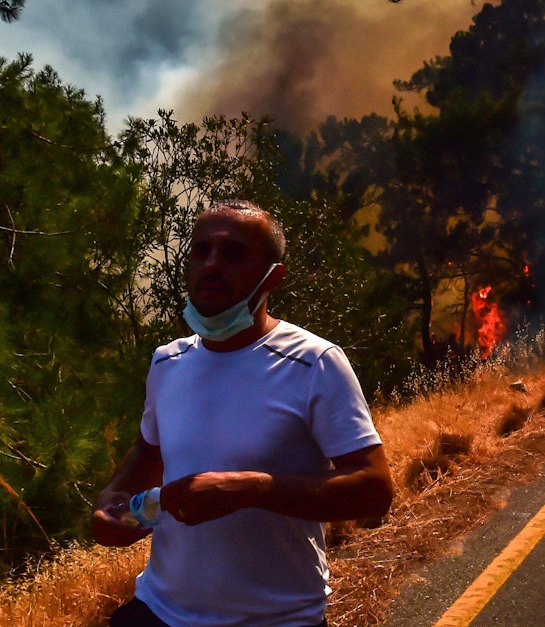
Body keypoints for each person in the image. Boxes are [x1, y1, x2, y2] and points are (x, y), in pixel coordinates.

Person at [92, 200, 395, 627]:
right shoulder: (166, 362)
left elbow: (375, 489)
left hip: (276, 618)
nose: (212, 265)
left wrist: (253, 488)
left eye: (233, 253)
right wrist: (115, 500)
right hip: (158, 610)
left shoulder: (315, 363)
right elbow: (148, 451)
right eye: (201, 251)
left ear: (273, 277)